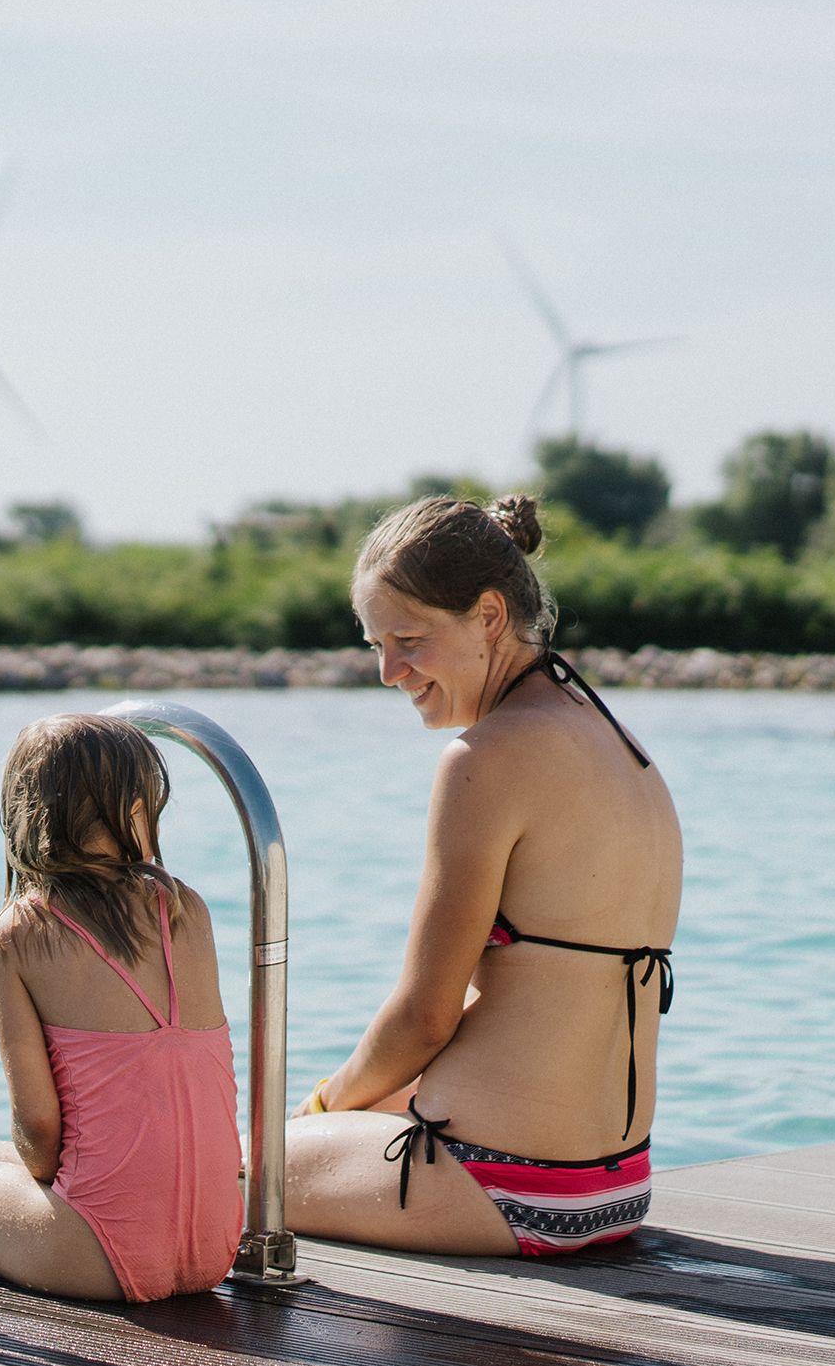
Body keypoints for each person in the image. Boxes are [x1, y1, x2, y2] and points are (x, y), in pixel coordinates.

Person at [284, 494, 682, 1258]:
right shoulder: (619, 744)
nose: (387, 671)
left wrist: (317, 1110)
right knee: (343, 1121)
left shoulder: (484, 759)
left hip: (501, 1181)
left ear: (489, 617)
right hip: (614, 1186)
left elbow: (423, 1018)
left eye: (408, 640)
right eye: (375, 645)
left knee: (222, 1168)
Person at [0, 715, 242, 1302]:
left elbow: (41, 1133)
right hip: (214, 1244)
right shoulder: (187, 910)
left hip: (109, 1255)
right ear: (138, 814)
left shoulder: (15, 937)